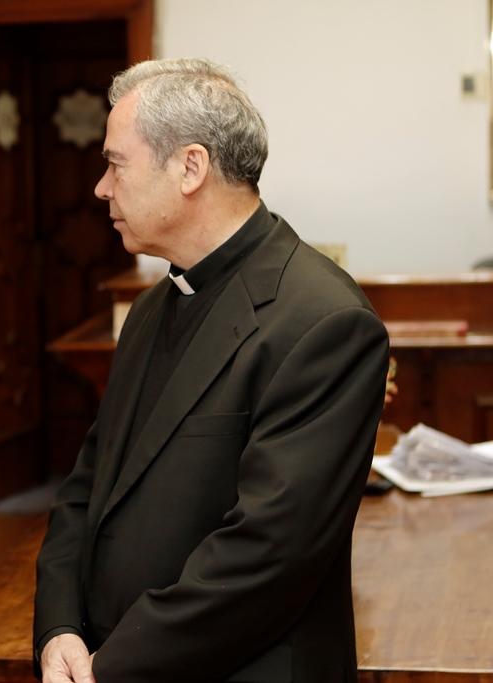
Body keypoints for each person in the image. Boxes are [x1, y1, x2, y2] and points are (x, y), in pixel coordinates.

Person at [33, 58, 389, 683]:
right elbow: (88, 486)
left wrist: (113, 665)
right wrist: (59, 626)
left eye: (116, 164)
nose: (101, 188)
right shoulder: (149, 310)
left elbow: (269, 556)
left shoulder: (324, 321)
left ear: (190, 168)